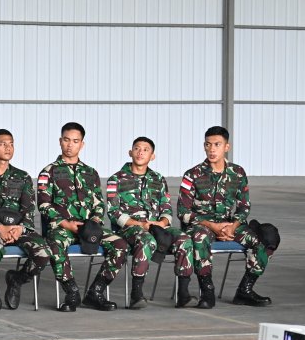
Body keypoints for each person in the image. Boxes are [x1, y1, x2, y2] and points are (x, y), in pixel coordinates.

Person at [178, 126, 274, 309]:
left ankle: (245, 290)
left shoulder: (237, 173)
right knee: (200, 238)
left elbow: (244, 206)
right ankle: (207, 291)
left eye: (217, 144)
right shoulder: (192, 175)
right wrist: (213, 226)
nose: (212, 149)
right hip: (201, 225)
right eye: (208, 145)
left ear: (226, 147)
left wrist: (232, 226)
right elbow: (183, 211)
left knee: (261, 241)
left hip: (230, 224)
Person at [37, 122, 128, 312]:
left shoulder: (90, 173)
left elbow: (98, 203)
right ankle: (71, 293)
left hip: (89, 226)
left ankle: (96, 292)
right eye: (67, 140)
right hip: (63, 228)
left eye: (75, 141)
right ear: (60, 141)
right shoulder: (48, 172)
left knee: (120, 245)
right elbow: (44, 204)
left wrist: (95, 221)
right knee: (55, 245)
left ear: (82, 144)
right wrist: (64, 223)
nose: (70, 145)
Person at [106, 137, 197, 309]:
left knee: (185, 239)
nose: (141, 152)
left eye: (145, 149)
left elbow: (167, 208)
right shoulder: (116, 179)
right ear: (130, 152)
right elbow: (113, 212)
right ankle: (136, 294)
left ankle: (183, 293)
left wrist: (161, 223)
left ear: (152, 156)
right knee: (146, 239)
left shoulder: (159, 179)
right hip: (130, 228)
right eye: (137, 148)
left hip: (158, 226)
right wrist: (140, 225)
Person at [0, 129, 51, 310]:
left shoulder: (23, 177)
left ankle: (17, 280)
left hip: (18, 229)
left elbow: (28, 209)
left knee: (43, 252)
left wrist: (20, 228)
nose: (8, 148)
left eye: (11, 144)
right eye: (2, 144)